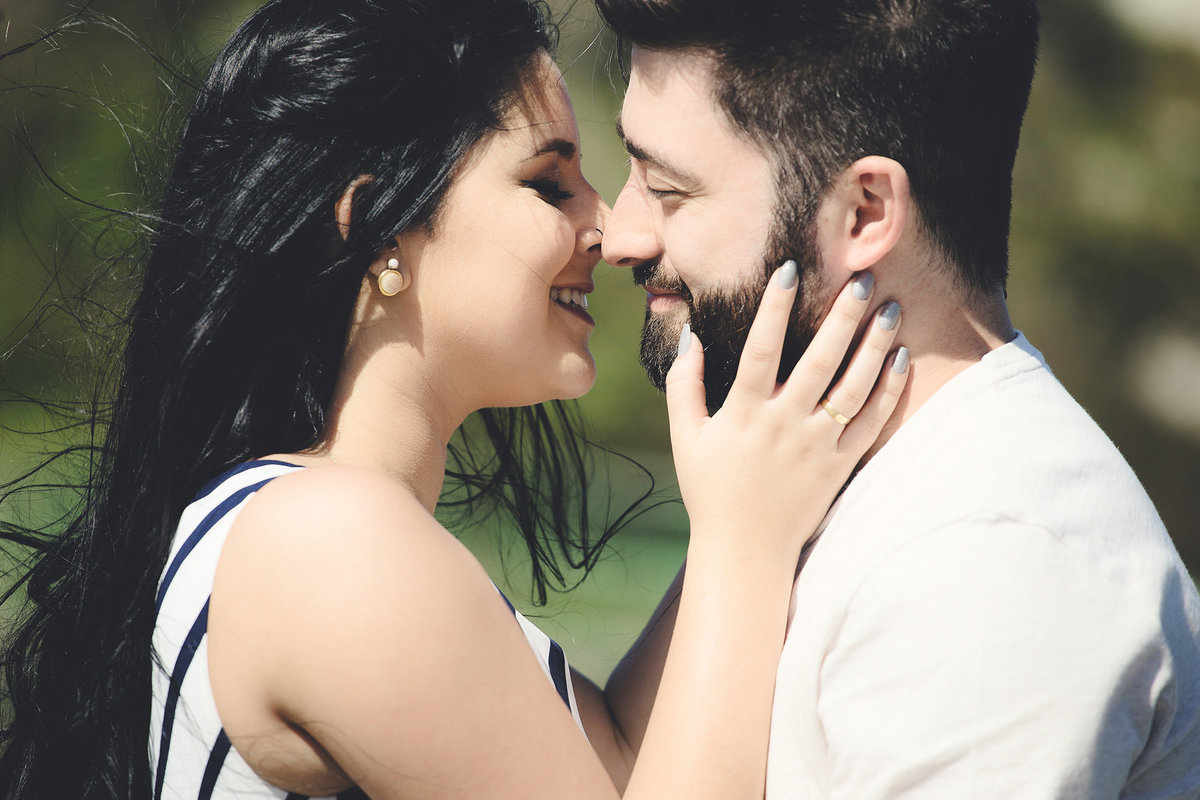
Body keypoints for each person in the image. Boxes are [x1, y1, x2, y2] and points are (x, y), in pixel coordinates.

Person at [0, 0, 911, 798]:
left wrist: (748, 510)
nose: (610, 227)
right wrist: (747, 544)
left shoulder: (310, 525)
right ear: (376, 223)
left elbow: (634, 765)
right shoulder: (327, 543)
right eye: (549, 181)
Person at [595, 0, 1200, 795]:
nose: (621, 238)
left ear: (865, 212)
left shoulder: (993, 563)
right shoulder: (790, 484)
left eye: (667, 189)